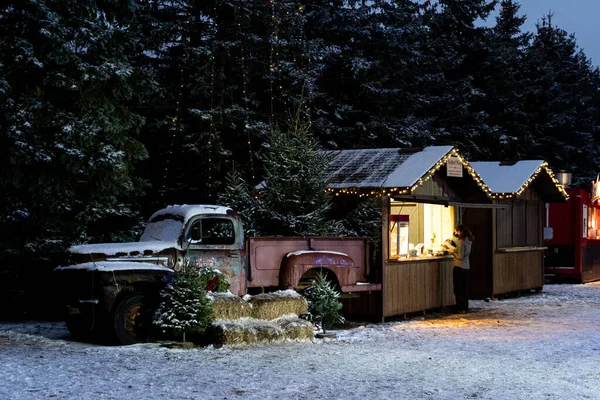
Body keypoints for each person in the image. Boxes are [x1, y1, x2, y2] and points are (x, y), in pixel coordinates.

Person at [451, 224, 473, 314]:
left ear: (460, 231)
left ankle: (460, 307)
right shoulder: (468, 241)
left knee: (458, 288)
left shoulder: (461, 242)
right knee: (464, 288)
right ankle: (465, 307)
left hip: (459, 266)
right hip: (466, 267)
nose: (456, 233)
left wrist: (452, 252)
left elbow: (460, 256)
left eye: (457, 231)